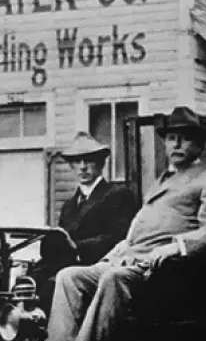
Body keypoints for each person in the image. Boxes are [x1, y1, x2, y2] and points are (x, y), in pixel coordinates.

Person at [41, 106, 206, 341]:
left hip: (159, 271)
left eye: (185, 138)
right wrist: (110, 256)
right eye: (171, 138)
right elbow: (136, 234)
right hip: (127, 259)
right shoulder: (160, 182)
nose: (176, 145)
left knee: (113, 279)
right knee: (69, 276)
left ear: (200, 145)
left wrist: (176, 246)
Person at [29, 131, 138, 309]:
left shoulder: (117, 195)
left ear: (102, 163)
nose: (82, 167)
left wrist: (76, 247)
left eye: (89, 160)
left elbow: (120, 238)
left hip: (95, 268)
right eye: (76, 161)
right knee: (24, 286)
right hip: (63, 266)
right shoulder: (69, 205)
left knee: (50, 288)